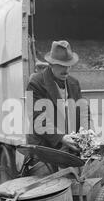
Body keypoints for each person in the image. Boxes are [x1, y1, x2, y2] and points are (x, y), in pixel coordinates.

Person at [25, 40, 91, 176]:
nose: (66, 70)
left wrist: (86, 135)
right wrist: (61, 137)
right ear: (51, 64)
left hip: (69, 150)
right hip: (45, 150)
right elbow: (38, 119)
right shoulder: (35, 83)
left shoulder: (73, 83)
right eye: (62, 66)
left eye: (69, 65)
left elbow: (82, 112)